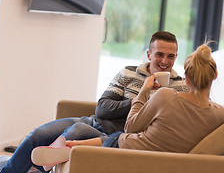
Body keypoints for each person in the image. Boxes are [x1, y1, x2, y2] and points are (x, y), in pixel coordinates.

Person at [0, 31, 187, 173]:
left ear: (176, 57)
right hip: (92, 121)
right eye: (159, 54)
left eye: (170, 56)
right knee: (38, 133)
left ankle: (30, 166)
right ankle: (16, 167)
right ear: (149, 54)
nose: (164, 61)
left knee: (74, 133)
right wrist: (137, 100)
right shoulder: (128, 72)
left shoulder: (180, 87)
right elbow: (103, 108)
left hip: (115, 136)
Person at [31, 42, 224, 168]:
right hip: (170, 160)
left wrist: (144, 91)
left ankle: (72, 147)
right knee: (110, 136)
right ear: (214, 76)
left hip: (133, 150)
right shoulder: (220, 115)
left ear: (186, 77)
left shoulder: (166, 95)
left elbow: (131, 126)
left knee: (117, 137)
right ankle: (74, 145)